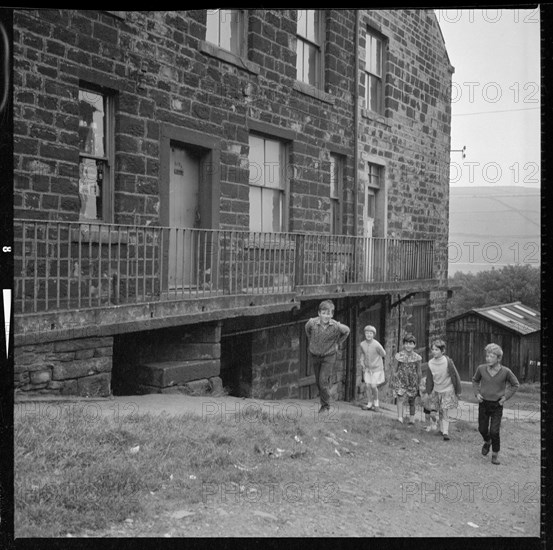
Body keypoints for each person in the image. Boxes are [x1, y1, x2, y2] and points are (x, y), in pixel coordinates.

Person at [472, 343, 520, 465]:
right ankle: (487, 441)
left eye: (491, 356)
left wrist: (506, 397)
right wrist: (477, 393)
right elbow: (475, 380)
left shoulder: (506, 371)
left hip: (497, 405)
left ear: (498, 358)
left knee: (494, 431)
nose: (488, 358)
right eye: (487, 356)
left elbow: (515, 385)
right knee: (482, 429)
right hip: (483, 403)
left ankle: (495, 454)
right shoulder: (481, 369)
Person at [305, 300, 350, 413]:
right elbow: (307, 331)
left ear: (332, 314)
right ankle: (324, 403)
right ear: (319, 313)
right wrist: (312, 342)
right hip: (315, 354)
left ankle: (325, 406)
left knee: (322, 381)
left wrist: (337, 343)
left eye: (328, 313)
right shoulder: (312, 323)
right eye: (323, 313)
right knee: (318, 382)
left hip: (328, 356)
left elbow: (347, 331)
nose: (326, 316)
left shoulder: (336, 326)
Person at [425, 339, 462, 441]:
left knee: (445, 410)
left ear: (442, 351)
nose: (434, 351)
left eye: (436, 349)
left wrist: (458, 391)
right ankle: (441, 429)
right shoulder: (430, 363)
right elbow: (429, 378)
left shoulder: (448, 362)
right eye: (433, 349)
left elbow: (455, 376)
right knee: (437, 411)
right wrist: (428, 391)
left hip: (448, 389)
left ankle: (445, 432)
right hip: (437, 390)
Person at [391, 334, 422, 424]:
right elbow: (394, 368)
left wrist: (419, 383)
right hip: (401, 380)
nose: (408, 346)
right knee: (400, 398)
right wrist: (394, 379)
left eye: (411, 343)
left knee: (411, 400)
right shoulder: (399, 356)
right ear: (404, 344)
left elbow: (419, 371)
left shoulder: (417, 357)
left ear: (414, 345)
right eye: (406, 343)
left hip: (412, 381)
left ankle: (411, 419)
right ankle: (400, 417)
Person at [359, 325, 387, 412]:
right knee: (367, 386)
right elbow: (362, 354)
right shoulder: (362, 344)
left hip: (377, 368)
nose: (368, 335)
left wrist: (377, 359)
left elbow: (383, 354)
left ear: (373, 335)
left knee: (374, 386)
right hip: (367, 368)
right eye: (367, 333)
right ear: (365, 334)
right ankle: (369, 403)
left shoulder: (376, 344)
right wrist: (362, 363)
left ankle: (376, 404)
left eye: (370, 333)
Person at [419, 361, 438, 432]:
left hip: (434, 401)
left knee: (432, 415)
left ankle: (435, 422)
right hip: (426, 401)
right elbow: (421, 388)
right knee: (427, 416)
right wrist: (425, 390)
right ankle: (428, 425)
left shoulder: (436, 380)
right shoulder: (424, 380)